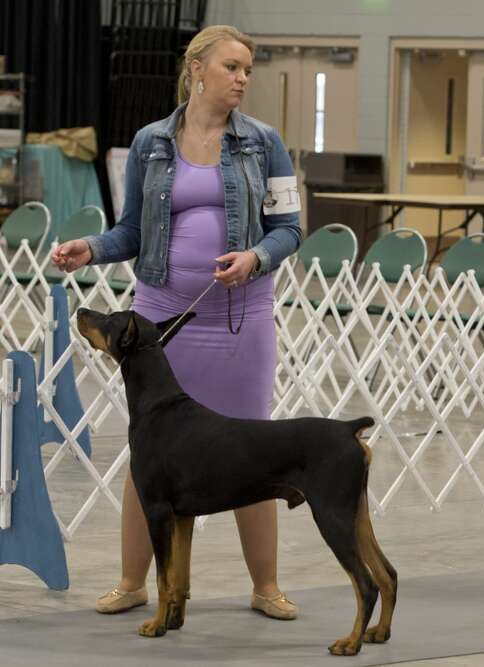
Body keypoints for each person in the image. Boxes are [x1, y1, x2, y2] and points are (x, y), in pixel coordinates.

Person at [51, 26, 302, 616]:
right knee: (150, 453)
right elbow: (132, 231)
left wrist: (255, 258)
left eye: (248, 69)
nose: (243, 78)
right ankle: (132, 583)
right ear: (197, 69)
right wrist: (93, 248)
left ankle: (266, 587)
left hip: (241, 323)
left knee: (253, 451)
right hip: (159, 323)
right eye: (232, 67)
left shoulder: (265, 143)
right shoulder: (149, 143)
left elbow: (289, 230)